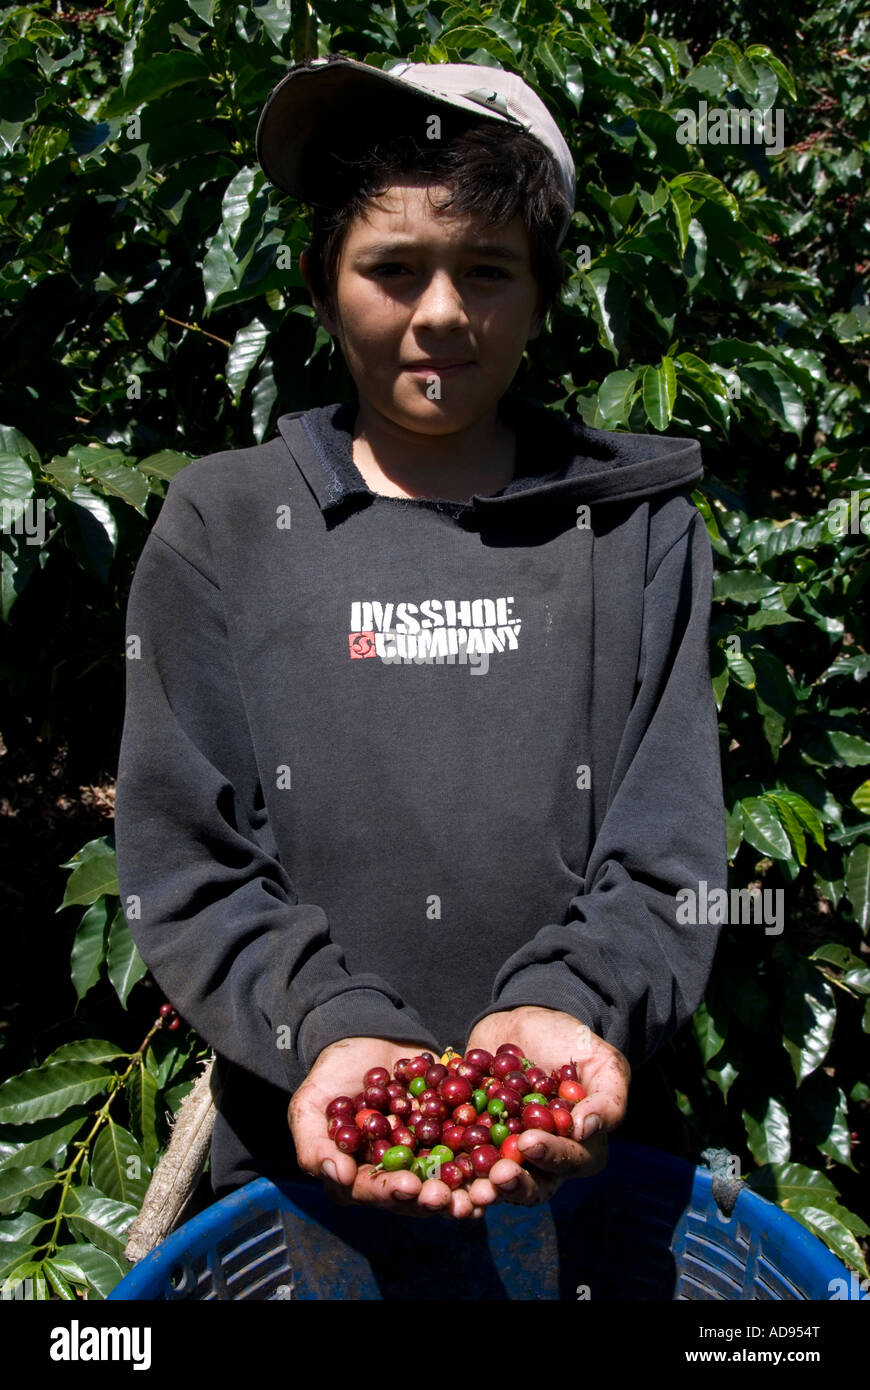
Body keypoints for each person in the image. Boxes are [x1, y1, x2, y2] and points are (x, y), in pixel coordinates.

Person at [113, 55, 727, 1225]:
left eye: (487, 270)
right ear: (320, 283)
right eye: (391, 268)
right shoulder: (227, 524)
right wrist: (335, 1028)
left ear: (541, 293)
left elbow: (668, 852)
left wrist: (569, 1008)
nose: (440, 311)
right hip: (303, 1165)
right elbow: (187, 859)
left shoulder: (639, 532)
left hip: (589, 1158)